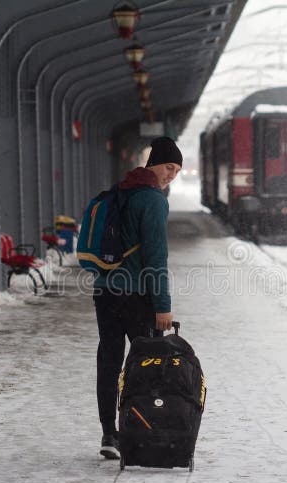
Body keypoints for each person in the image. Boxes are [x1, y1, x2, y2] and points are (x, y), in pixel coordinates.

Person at [93, 136, 182, 459]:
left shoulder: (121, 190)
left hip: (105, 292)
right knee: (148, 366)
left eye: (177, 171)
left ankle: (109, 434)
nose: (171, 175)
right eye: (168, 167)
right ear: (153, 164)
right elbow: (156, 260)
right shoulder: (154, 201)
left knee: (109, 361)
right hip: (137, 295)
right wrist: (163, 306)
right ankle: (141, 430)